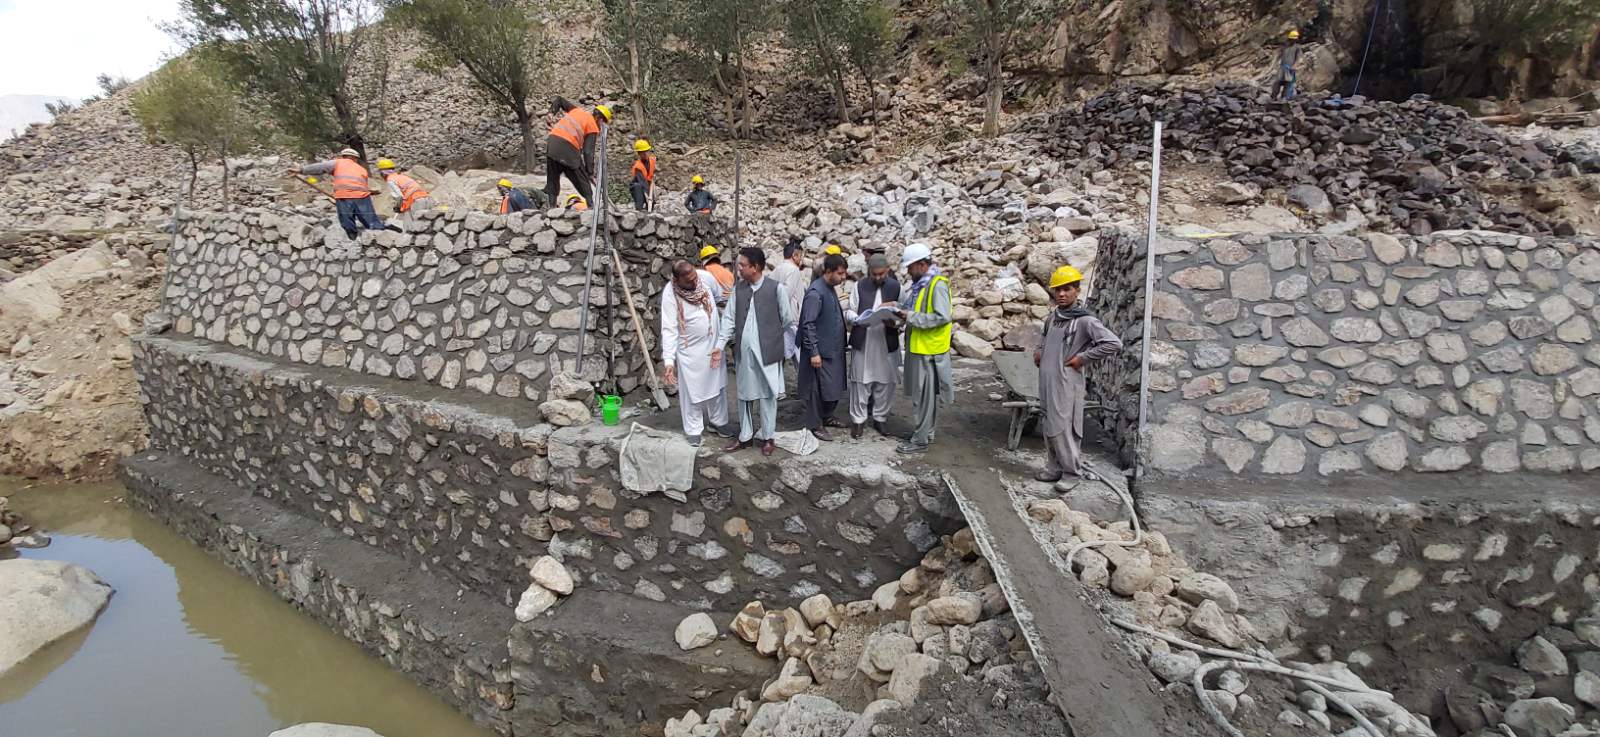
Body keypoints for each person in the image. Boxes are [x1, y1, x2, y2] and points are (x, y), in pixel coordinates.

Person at [1033, 265, 1123, 491]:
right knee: (1049, 423)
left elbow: (1113, 343)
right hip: (1047, 379)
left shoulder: (1085, 321)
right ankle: (1054, 467)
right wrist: (1039, 350)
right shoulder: (1054, 317)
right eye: (1058, 290)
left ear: (1076, 291)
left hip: (1066, 381)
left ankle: (1071, 473)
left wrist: (1082, 358)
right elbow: (1044, 338)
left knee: (1063, 427)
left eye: (1067, 289)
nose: (1062, 294)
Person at [716, 247, 796, 457]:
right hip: (744, 353)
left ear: (756, 267)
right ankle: (745, 436)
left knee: (768, 395)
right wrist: (719, 345)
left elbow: (787, 318)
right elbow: (729, 319)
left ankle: (768, 437)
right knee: (744, 395)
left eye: (742, 265)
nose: (739, 268)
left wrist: (770, 335)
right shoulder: (739, 290)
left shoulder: (775, 289)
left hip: (768, 352)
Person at [661, 260, 732, 447]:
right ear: (677, 280)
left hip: (713, 345)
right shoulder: (670, 294)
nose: (694, 283)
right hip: (689, 350)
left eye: (694, 277)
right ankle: (693, 429)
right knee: (692, 391)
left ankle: (719, 422)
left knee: (718, 386)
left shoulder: (705, 277)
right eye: (688, 281)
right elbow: (668, 328)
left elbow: (718, 296)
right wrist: (669, 361)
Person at [895, 242, 952, 455]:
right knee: (926, 399)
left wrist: (910, 317)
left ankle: (920, 440)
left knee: (923, 399)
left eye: (910, 268)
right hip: (921, 348)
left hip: (928, 351)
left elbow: (942, 316)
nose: (908, 273)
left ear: (920, 265)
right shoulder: (923, 286)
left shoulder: (936, 285)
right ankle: (925, 434)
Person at [845, 253, 900, 439]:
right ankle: (858, 421)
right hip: (864, 338)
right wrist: (856, 319)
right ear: (869, 272)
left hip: (886, 340)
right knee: (860, 381)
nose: (877, 278)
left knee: (885, 382)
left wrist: (896, 322)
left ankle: (880, 418)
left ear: (888, 271)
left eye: (881, 274)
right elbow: (850, 310)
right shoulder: (859, 285)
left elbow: (904, 312)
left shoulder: (896, 286)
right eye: (874, 274)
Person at [798, 254, 849, 441]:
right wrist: (814, 352)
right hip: (819, 353)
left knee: (832, 386)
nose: (844, 277)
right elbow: (808, 324)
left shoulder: (830, 288)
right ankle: (815, 424)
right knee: (816, 388)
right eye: (840, 273)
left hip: (832, 350)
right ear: (829, 272)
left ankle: (827, 416)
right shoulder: (815, 293)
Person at [292, 148, 383, 238]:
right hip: (362, 197)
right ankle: (379, 235)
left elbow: (320, 167)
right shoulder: (361, 169)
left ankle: (352, 237)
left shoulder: (338, 162)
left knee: (346, 219)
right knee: (369, 218)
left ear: (343, 156)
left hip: (344, 196)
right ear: (355, 158)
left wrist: (301, 170)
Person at [545, 97, 611, 207]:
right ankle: (591, 206)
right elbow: (588, 152)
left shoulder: (577, 111)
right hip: (567, 146)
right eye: (602, 123)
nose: (601, 126)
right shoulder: (592, 125)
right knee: (582, 178)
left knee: (553, 178)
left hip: (552, 143)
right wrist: (589, 172)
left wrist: (551, 113)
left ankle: (551, 207)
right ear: (599, 119)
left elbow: (560, 100)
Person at [771, 241, 809, 362]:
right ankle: (803, 381)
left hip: (778, 318)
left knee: (780, 355)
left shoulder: (776, 269)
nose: (801, 260)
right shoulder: (794, 270)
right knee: (798, 356)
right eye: (800, 256)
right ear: (794, 255)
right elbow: (786, 293)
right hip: (792, 319)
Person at [630, 139, 657, 211]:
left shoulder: (652, 161)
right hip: (638, 186)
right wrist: (648, 197)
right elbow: (642, 183)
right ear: (639, 153)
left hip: (648, 185)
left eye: (646, 151)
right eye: (642, 152)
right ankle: (639, 208)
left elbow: (652, 174)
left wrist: (651, 200)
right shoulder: (638, 166)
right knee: (637, 187)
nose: (645, 154)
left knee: (652, 205)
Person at [1273, 30, 1301, 101]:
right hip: (1282, 67)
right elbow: (1279, 55)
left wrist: (1295, 66)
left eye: (1295, 39)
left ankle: (1284, 97)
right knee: (1277, 82)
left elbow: (1298, 58)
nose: (1294, 41)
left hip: (1290, 68)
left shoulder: (1297, 48)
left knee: (1288, 83)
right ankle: (1274, 96)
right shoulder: (1284, 46)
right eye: (1292, 39)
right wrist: (1276, 64)